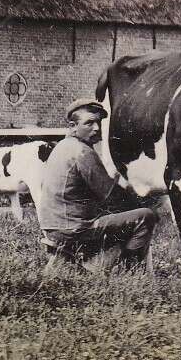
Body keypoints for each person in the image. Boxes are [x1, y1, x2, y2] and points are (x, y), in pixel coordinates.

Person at [39, 97, 157, 277]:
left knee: (119, 219)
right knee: (146, 217)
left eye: (99, 123)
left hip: (52, 226)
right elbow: (111, 196)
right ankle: (129, 275)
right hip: (74, 229)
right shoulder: (82, 151)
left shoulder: (62, 146)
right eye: (89, 123)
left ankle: (91, 265)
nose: (96, 128)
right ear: (73, 126)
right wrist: (140, 200)